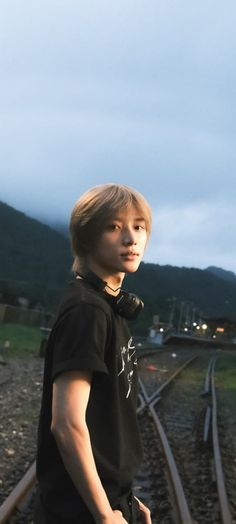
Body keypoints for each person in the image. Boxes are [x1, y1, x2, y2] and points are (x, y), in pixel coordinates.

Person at [34, 183, 152, 524]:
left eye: (138, 226)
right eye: (113, 227)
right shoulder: (88, 311)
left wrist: (125, 499)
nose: (131, 239)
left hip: (109, 500)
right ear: (86, 237)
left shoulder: (111, 308)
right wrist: (104, 514)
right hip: (81, 512)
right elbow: (67, 424)